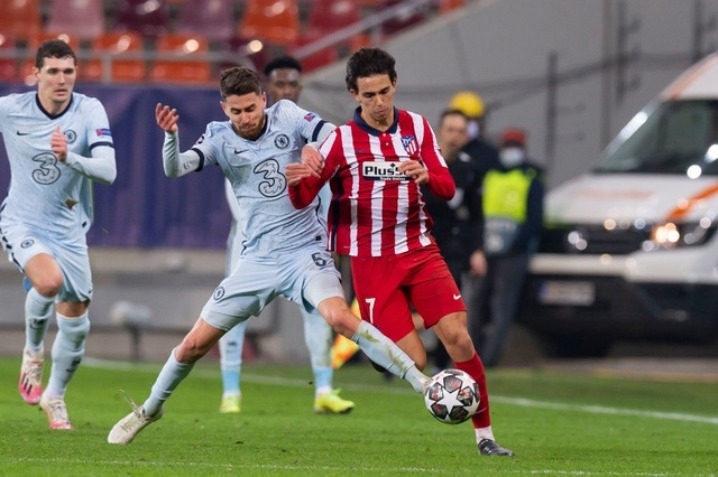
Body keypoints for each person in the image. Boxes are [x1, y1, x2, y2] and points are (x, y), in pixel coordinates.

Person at [107, 66, 430, 445]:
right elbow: (175, 168)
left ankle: (423, 384)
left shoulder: (287, 115)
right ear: (224, 109)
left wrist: (313, 148)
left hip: (306, 251)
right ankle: (149, 409)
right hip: (257, 260)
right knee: (194, 345)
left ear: (263, 99)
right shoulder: (219, 137)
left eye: (251, 108)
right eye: (236, 111)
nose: (245, 118)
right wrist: (171, 136)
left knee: (339, 317)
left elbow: (335, 136)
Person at [285, 47, 513, 457]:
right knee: (414, 361)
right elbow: (304, 199)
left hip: (419, 251)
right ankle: (380, 344)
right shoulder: (341, 141)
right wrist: (297, 181)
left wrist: (427, 175)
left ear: (394, 85)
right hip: (371, 264)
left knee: (459, 338)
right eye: (369, 95)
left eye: (384, 92)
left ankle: (486, 437)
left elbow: (448, 188)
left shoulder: (417, 128)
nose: (379, 102)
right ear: (354, 94)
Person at [217, 56, 354, 415]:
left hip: (303, 239)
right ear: (266, 90)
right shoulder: (238, 128)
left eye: (292, 84)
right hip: (252, 239)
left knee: (319, 309)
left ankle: (324, 389)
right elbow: (236, 186)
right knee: (233, 311)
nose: (286, 90)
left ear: (299, 88)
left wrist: (328, 233)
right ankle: (230, 392)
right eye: (280, 84)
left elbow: (326, 183)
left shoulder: (303, 127)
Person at [0, 39, 117, 429]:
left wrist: (70, 157)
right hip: (21, 221)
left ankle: (55, 397)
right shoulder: (11, 109)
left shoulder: (89, 110)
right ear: (36, 74)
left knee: (77, 320)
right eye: (52, 71)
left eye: (68, 71)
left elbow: (108, 171)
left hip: (68, 227)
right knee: (49, 282)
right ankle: (33, 353)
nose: (61, 79)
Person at [421, 109, 487, 372]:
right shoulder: (420, 162)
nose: (455, 136)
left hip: (452, 249)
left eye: (461, 131)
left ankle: (440, 364)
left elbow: (476, 214)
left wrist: (478, 249)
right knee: (409, 308)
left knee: (450, 310)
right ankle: (397, 358)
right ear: (440, 131)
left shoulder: (469, 169)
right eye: (450, 130)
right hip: (417, 245)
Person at [471, 127, 544, 367]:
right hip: (486, 252)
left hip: (514, 254)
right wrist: (478, 248)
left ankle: (488, 360)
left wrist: (515, 247)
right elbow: (478, 215)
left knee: (502, 307)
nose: (511, 151)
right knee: (476, 305)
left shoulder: (530, 178)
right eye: (508, 146)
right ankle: (470, 356)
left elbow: (534, 220)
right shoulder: (490, 176)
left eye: (515, 146)